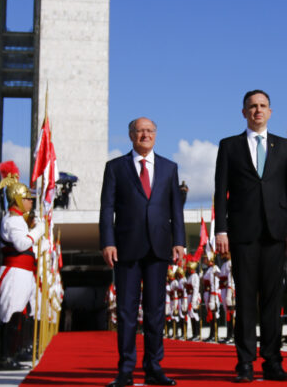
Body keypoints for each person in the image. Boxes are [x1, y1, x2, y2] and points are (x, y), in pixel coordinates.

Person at [214, 89, 287, 383]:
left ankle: (273, 361)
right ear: (244, 112)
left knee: (273, 301)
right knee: (246, 300)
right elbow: (220, 191)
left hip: (276, 233)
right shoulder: (229, 146)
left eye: (263, 106)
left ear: (270, 112)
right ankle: (245, 363)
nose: (258, 111)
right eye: (252, 106)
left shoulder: (283, 146)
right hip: (242, 233)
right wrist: (221, 230)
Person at [99, 117, 186, 387]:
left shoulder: (169, 168)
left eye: (149, 131)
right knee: (126, 311)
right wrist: (107, 241)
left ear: (156, 135)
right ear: (131, 136)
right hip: (125, 248)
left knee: (155, 311)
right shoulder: (115, 167)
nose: (145, 135)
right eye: (140, 131)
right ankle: (125, 369)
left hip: (159, 248)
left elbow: (175, 210)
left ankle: (153, 367)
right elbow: (107, 208)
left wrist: (179, 241)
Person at [0, 165, 42, 372]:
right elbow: (21, 244)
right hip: (14, 271)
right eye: (28, 198)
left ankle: (12, 353)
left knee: (20, 312)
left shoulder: (19, 220)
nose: (31, 201)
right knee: (10, 312)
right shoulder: (13, 220)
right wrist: (38, 230)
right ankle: (4, 357)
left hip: (23, 271)